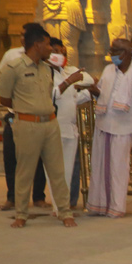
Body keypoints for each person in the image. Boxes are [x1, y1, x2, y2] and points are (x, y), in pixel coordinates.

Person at [0, 25, 76, 229]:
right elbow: (5, 98)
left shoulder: (46, 68)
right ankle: (21, 214)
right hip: (27, 124)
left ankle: (65, 212)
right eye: (48, 44)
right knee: (25, 170)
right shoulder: (13, 67)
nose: (51, 48)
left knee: (57, 171)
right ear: (37, 44)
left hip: (50, 123)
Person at [87, 38, 132, 217]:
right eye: (110, 51)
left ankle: (116, 207)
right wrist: (93, 90)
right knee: (99, 167)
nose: (111, 56)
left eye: (114, 52)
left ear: (126, 54)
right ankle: (99, 205)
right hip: (104, 123)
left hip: (124, 127)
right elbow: (102, 92)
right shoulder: (108, 70)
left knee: (118, 168)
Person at [0, 23, 48, 211]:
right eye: (20, 35)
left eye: (25, 35)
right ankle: (13, 197)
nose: (22, 38)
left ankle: (39, 197)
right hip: (14, 116)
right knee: (12, 157)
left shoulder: (44, 61)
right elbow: (2, 81)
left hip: (38, 119)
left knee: (39, 158)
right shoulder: (11, 56)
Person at [47, 36, 93, 212]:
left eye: (61, 52)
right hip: (53, 128)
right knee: (55, 171)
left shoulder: (66, 72)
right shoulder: (44, 73)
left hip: (70, 129)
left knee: (68, 170)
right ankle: (59, 208)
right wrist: (69, 82)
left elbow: (85, 83)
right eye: (54, 52)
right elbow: (50, 96)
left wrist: (86, 90)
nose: (59, 55)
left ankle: (64, 206)